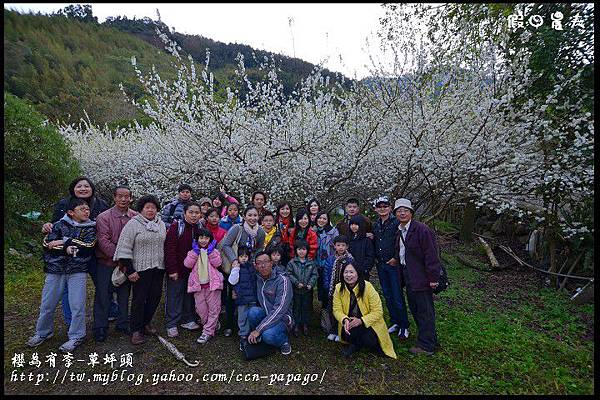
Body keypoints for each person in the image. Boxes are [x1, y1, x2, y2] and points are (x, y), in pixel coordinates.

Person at [27, 198, 96, 352]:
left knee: (77, 305)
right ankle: (43, 332)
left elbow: (88, 247)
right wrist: (67, 248)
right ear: (71, 212)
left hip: (78, 270)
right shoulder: (59, 225)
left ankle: (77, 336)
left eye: (87, 209)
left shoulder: (91, 227)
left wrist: (63, 241)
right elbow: (47, 245)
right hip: (55, 269)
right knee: (47, 303)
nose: (86, 211)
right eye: (82, 209)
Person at [41, 176, 109, 327]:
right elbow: (55, 226)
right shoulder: (64, 204)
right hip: (69, 256)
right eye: (79, 186)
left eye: (87, 186)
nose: (83, 189)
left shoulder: (101, 204)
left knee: (102, 284)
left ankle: (110, 311)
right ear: (73, 188)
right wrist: (48, 227)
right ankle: (70, 320)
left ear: (92, 189)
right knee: (67, 289)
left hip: (95, 252)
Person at [114, 195, 167, 345]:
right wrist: (130, 270)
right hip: (140, 269)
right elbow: (124, 248)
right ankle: (135, 329)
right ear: (141, 209)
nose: (150, 210)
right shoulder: (133, 224)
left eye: (153, 207)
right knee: (139, 299)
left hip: (158, 267)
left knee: (155, 297)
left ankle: (146, 323)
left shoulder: (161, 224)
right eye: (147, 207)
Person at [393, 198, 441, 356]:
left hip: (421, 275)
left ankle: (427, 345)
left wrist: (433, 277)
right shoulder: (399, 230)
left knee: (424, 310)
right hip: (408, 274)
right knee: (415, 307)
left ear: (411, 213)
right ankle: (429, 338)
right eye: (399, 211)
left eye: (405, 210)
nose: (402, 213)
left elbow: (431, 254)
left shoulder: (421, 229)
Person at [93, 185, 138, 342]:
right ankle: (100, 327)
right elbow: (103, 242)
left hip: (127, 263)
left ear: (131, 198)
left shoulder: (135, 216)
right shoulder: (103, 217)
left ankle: (123, 322)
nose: (124, 199)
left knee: (124, 294)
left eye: (127, 196)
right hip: (106, 262)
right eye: (120, 196)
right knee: (103, 295)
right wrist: (121, 258)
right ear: (114, 197)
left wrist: (126, 261)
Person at [332, 263, 397, 359]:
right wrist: (344, 319)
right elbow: (337, 309)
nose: (348, 275)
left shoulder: (368, 287)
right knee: (346, 334)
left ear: (358, 273)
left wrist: (361, 321)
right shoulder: (338, 288)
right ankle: (355, 344)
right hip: (350, 321)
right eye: (346, 272)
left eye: (351, 272)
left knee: (369, 339)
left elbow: (378, 311)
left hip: (368, 323)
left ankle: (366, 344)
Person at [220, 206, 266, 337]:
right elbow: (226, 245)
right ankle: (229, 325)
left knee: (248, 296)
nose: (252, 218)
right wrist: (234, 260)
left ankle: (248, 326)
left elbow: (259, 249)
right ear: (244, 216)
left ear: (258, 217)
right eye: (249, 215)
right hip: (235, 267)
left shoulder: (260, 232)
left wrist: (254, 261)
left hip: (250, 270)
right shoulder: (237, 229)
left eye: (255, 215)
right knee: (232, 295)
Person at [163, 202, 203, 338]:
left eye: (197, 213)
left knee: (190, 295)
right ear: (185, 213)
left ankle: (187, 319)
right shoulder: (176, 227)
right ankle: (172, 323)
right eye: (191, 212)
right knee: (174, 295)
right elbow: (170, 249)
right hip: (178, 269)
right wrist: (172, 269)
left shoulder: (199, 227)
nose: (194, 215)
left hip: (193, 270)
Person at [372, 196, 409, 340]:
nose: (382, 208)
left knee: (397, 294)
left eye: (385, 206)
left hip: (393, 264)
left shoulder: (396, 223)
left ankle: (404, 325)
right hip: (381, 264)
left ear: (389, 207)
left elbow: (400, 240)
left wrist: (396, 257)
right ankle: (395, 321)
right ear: (376, 209)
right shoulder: (375, 225)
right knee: (387, 294)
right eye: (379, 206)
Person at [247, 251, 293, 356]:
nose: (263, 266)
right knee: (252, 312)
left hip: (282, 318)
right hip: (267, 314)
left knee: (268, 335)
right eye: (259, 263)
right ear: (256, 266)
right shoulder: (258, 278)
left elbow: (280, 309)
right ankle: (262, 334)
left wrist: (259, 329)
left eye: (266, 262)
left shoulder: (282, 280)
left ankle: (283, 341)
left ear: (271, 263)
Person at [183, 229, 223, 344]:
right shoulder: (193, 252)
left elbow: (218, 263)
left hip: (212, 286)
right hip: (198, 286)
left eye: (206, 238)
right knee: (201, 310)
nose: (204, 240)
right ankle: (211, 324)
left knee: (213, 309)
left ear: (210, 240)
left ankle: (207, 332)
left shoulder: (214, 251)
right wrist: (195, 252)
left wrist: (210, 252)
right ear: (197, 239)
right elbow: (187, 264)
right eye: (201, 238)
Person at [323, 235, 355, 341]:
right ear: (334, 246)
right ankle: (333, 330)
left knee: (344, 310)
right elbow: (326, 273)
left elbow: (352, 274)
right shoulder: (331, 259)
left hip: (345, 290)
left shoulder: (350, 259)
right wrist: (327, 286)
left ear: (347, 247)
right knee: (333, 310)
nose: (340, 247)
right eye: (338, 245)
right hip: (333, 290)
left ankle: (340, 331)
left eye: (343, 245)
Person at [228, 246, 258, 350]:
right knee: (242, 317)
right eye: (241, 256)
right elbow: (232, 281)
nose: (244, 258)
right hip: (242, 298)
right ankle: (243, 335)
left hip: (252, 298)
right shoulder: (236, 268)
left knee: (253, 315)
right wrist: (235, 269)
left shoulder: (252, 267)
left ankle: (253, 334)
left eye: (246, 256)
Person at [286, 240, 318, 337]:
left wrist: (310, 284)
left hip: (307, 290)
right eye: (299, 249)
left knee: (306, 307)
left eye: (304, 249)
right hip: (296, 290)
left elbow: (315, 274)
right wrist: (296, 282)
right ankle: (296, 324)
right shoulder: (292, 262)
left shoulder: (311, 263)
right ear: (296, 250)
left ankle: (305, 324)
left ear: (307, 251)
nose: (301, 252)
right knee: (296, 307)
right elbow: (289, 273)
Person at [314, 211, 339, 305]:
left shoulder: (333, 231)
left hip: (328, 263)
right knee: (319, 284)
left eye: (324, 219)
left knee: (327, 284)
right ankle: (322, 305)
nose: (322, 220)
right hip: (316, 262)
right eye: (320, 218)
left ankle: (327, 306)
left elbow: (337, 245)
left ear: (328, 220)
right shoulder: (314, 231)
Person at [348, 215, 375, 281]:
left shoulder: (366, 240)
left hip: (362, 272)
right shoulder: (349, 239)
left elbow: (370, 257)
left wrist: (364, 269)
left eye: (356, 224)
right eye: (351, 224)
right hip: (349, 271)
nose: (353, 226)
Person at [275, 202, 294, 266]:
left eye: (287, 209)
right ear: (279, 210)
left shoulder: (293, 222)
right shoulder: (275, 222)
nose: (285, 211)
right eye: (282, 209)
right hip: (278, 249)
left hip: (290, 249)